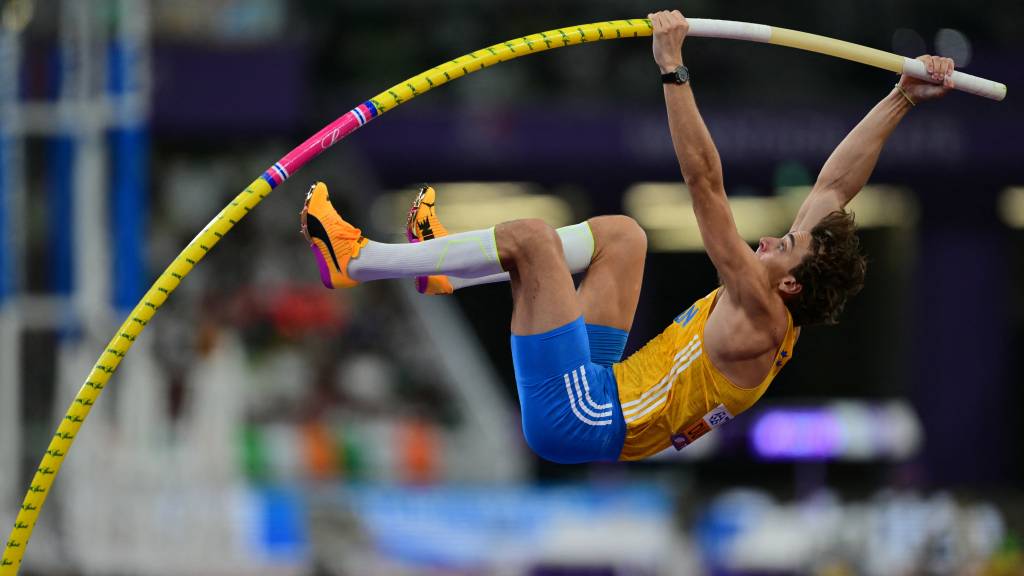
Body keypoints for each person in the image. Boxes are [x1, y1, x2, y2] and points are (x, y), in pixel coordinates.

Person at [300, 10, 955, 463]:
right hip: (603, 383)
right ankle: (447, 269)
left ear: (787, 282)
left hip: (583, 419)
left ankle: (360, 261)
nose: (769, 241)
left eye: (783, 247)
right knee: (622, 236)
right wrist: (900, 97)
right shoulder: (784, 287)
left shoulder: (758, 317)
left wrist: (671, 67)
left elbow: (704, 185)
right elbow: (835, 189)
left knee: (533, 239)